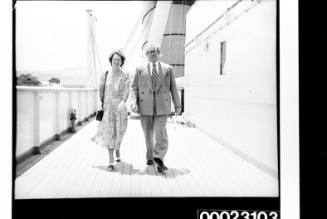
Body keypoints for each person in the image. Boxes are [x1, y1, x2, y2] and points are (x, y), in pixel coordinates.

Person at [130, 43, 181, 172]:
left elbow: (173, 88)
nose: (152, 53)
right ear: (146, 55)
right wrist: (133, 103)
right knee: (148, 135)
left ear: (159, 53)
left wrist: (177, 105)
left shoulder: (167, 69)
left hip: (162, 106)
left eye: (155, 51)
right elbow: (134, 88)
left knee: (160, 133)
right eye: (150, 52)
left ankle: (159, 158)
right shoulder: (140, 69)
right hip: (145, 106)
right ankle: (150, 156)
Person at [93, 50, 130, 171]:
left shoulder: (125, 76)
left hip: (120, 108)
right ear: (111, 61)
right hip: (108, 108)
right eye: (114, 59)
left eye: (118, 60)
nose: (116, 61)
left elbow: (126, 90)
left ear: (121, 62)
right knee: (109, 133)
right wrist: (100, 103)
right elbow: (101, 90)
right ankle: (110, 161)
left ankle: (117, 150)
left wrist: (123, 102)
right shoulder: (105, 74)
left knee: (120, 131)